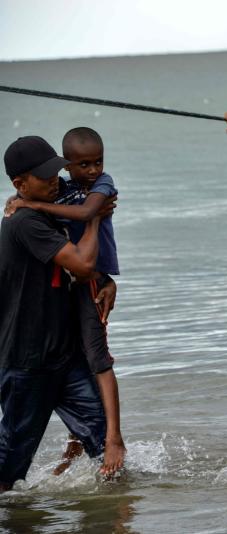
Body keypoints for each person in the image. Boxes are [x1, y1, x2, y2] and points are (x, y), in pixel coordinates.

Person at [6, 127, 126, 475]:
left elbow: (85, 221)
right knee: (11, 462)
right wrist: (24, 204)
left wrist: (106, 280)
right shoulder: (39, 211)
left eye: (54, 169)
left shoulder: (89, 190)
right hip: (32, 351)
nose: (92, 170)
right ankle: (78, 443)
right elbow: (77, 253)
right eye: (45, 175)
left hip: (77, 313)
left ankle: (111, 444)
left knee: (97, 363)